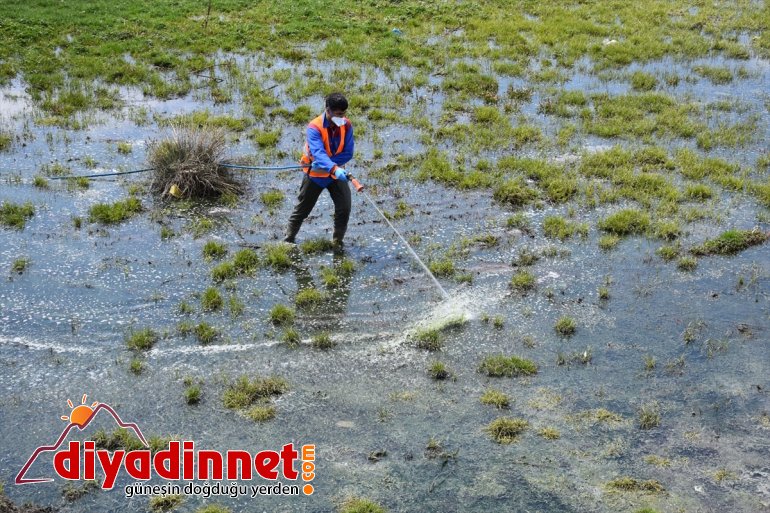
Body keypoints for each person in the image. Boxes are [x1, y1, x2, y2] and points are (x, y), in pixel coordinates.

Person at [284, 92, 354, 246]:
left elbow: (348, 152)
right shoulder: (314, 127)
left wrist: (333, 168)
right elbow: (318, 153)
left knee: (344, 208)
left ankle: (337, 242)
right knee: (302, 210)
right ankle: (288, 240)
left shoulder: (346, 125)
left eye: (343, 114)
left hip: (336, 175)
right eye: (338, 114)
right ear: (327, 110)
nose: (341, 118)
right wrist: (331, 166)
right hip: (315, 175)